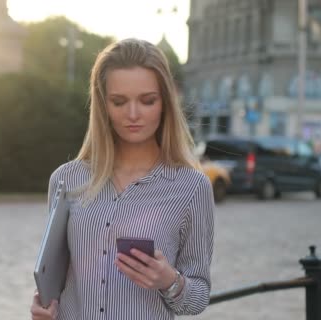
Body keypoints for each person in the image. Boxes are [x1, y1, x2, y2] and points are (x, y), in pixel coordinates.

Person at [30, 38, 214, 320]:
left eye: (147, 100)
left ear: (165, 102)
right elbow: (54, 280)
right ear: (103, 105)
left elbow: (198, 297)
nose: (133, 114)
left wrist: (169, 281)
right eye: (119, 101)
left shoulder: (192, 188)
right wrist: (44, 309)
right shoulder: (66, 181)